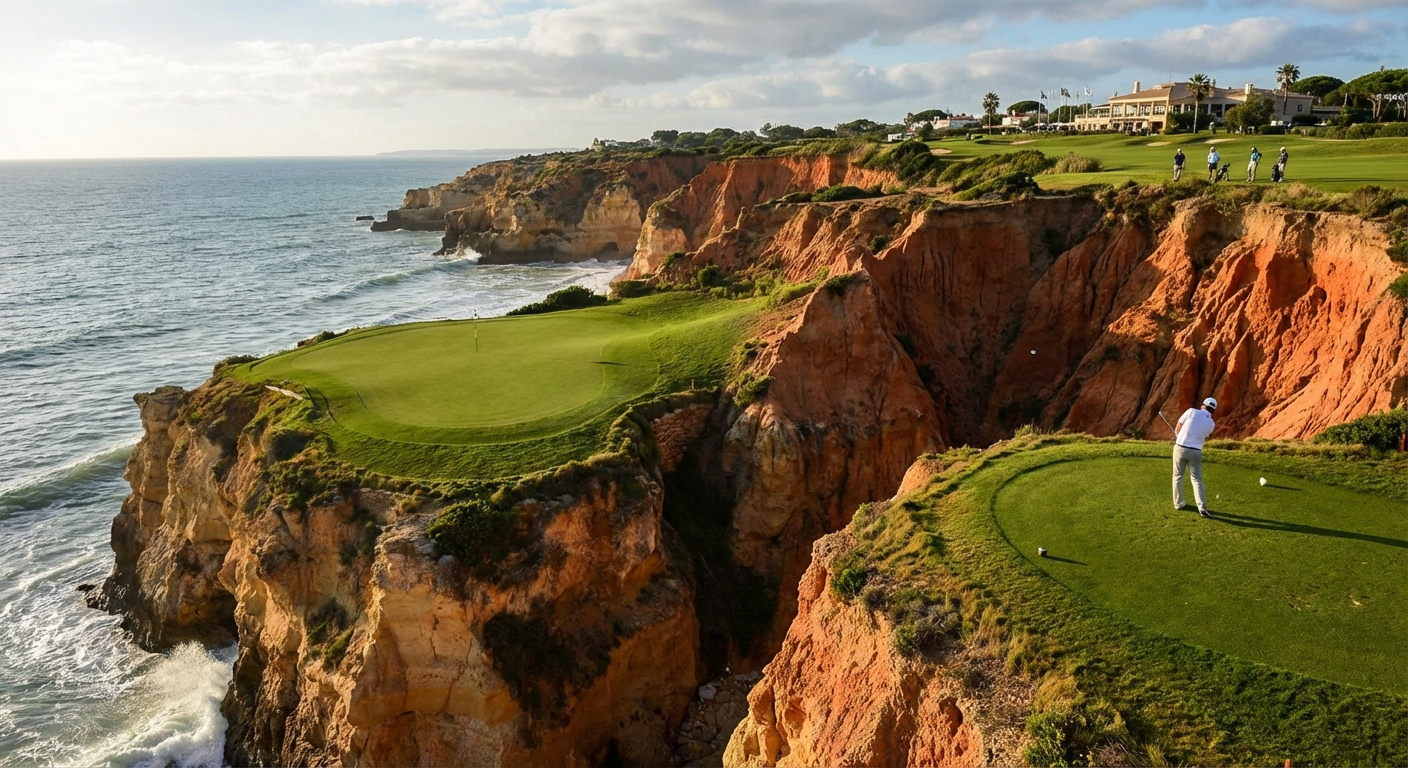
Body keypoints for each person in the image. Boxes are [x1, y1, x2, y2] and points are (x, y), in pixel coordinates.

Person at [1173, 397, 1218, 518]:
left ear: (1204, 405)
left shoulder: (1191, 411)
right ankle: (1202, 508)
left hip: (1180, 448)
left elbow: (1179, 425)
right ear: (1213, 410)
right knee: (1196, 479)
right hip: (1196, 452)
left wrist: (1178, 436)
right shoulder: (1211, 424)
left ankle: (1178, 503)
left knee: (1178, 476)